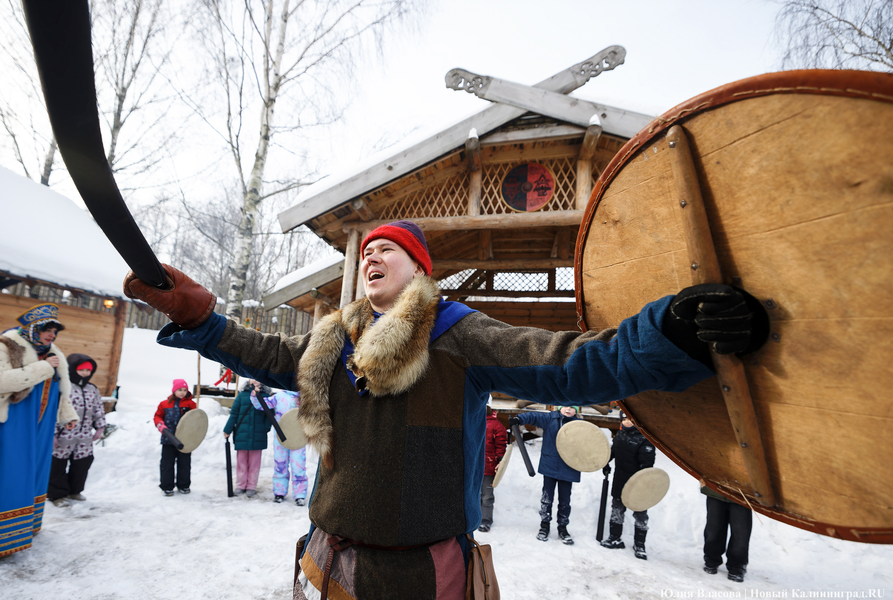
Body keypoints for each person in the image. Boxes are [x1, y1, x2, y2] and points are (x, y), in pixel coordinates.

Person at [123, 219, 767, 598]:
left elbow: (575, 362)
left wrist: (673, 331)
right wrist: (203, 319)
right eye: (367, 250)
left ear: (421, 270)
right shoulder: (332, 341)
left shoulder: (459, 334)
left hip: (423, 576)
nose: (372, 256)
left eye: (389, 251)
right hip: (328, 557)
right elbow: (261, 350)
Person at [0, 303, 79, 559]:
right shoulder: (4, 346)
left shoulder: (54, 353)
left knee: (34, 473)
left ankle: (23, 529)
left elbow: (60, 392)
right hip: (11, 423)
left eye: (55, 331)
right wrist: (43, 368)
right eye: (46, 329)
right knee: (9, 474)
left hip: (41, 427)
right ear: (31, 329)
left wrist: (67, 415)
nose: (52, 335)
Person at [509, 406, 582, 544]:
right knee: (547, 498)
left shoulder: (580, 426)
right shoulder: (550, 419)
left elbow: (589, 444)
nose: (568, 409)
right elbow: (534, 416)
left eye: (572, 407)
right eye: (565, 406)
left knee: (565, 501)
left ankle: (563, 527)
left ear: (577, 411)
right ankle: (544, 525)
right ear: (559, 407)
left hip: (569, 467)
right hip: (550, 465)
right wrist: (519, 419)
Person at [49, 354, 107, 506]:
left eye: (88, 370)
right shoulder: (63, 387)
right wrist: (53, 434)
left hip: (84, 436)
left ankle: (75, 491)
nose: (85, 373)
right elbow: (54, 411)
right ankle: (57, 495)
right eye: (82, 370)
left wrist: (100, 426)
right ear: (72, 369)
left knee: (82, 464)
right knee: (57, 466)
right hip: (64, 435)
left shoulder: (92, 389)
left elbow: (98, 408)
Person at [600, 411, 656, 559]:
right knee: (617, 510)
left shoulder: (645, 439)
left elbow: (647, 464)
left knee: (640, 513)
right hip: (620, 480)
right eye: (624, 419)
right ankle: (615, 538)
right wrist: (605, 462)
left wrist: (643, 477)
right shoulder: (620, 436)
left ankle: (640, 545)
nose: (627, 422)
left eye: (631, 419)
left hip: (638, 484)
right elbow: (612, 452)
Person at [253, 389, 309, 505]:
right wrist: (255, 396)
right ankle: (279, 492)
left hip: (298, 437)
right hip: (280, 438)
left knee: (298, 466)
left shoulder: (305, 396)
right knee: (280, 464)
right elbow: (262, 405)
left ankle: (299, 495)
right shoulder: (279, 396)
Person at [223, 379, 273, 497]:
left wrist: (265, 428)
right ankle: (240, 484)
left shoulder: (266, 396)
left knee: (255, 463)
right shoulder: (242, 396)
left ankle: (251, 485)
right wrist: (227, 429)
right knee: (241, 463)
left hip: (258, 435)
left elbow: (269, 415)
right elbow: (234, 414)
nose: (256, 380)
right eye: (253, 378)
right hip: (242, 434)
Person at [153, 379, 196, 496]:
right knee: (167, 464)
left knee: (184, 464)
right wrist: (160, 425)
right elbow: (157, 416)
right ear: (174, 391)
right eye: (180, 390)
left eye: (185, 390)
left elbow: (196, 419)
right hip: (169, 439)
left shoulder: (190, 404)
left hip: (185, 440)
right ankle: (167, 486)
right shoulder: (164, 404)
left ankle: (184, 485)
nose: (182, 392)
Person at [702, 484, 753, 582]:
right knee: (713, 527)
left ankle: (737, 566)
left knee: (740, 532)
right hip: (715, 487)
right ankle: (711, 559)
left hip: (742, 492)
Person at [478, 403, 508, 532]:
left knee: (486, 495)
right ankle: (473, 517)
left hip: (488, 467)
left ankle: (485, 520)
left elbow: (501, 446)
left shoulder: (496, 426)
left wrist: (500, 462)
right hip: (473, 467)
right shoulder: (472, 422)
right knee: (473, 493)